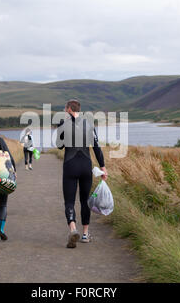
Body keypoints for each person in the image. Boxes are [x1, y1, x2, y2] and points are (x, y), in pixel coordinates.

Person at [56, 99, 108, 248]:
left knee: (69, 201)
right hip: (86, 166)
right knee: (85, 201)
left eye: (65, 108)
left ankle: (73, 229)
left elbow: (59, 146)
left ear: (69, 109)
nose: (64, 111)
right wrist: (103, 167)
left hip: (70, 166)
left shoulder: (63, 124)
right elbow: (96, 148)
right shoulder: (89, 125)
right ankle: (85, 234)